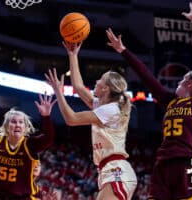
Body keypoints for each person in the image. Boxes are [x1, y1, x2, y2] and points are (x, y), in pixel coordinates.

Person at [106, 1, 192, 199]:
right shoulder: (170, 101)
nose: (179, 82)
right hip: (163, 163)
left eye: (183, 79)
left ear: (191, 83)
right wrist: (123, 51)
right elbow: (147, 77)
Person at [45, 41, 137, 199]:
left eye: (100, 80)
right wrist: (73, 55)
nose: (96, 82)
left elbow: (71, 119)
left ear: (106, 88)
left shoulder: (110, 110)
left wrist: (59, 93)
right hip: (110, 171)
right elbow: (79, 87)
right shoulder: (103, 106)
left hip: (116, 170)